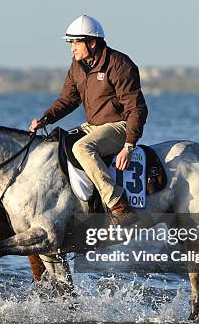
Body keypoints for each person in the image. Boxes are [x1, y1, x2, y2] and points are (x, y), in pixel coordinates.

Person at [29, 15, 148, 226]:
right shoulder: (77, 66)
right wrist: (45, 119)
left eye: (76, 42)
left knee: (83, 149)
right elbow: (68, 99)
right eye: (71, 43)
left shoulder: (119, 64)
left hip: (118, 126)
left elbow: (136, 108)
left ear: (92, 43)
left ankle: (118, 205)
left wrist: (129, 145)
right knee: (55, 144)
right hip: (92, 126)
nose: (72, 48)